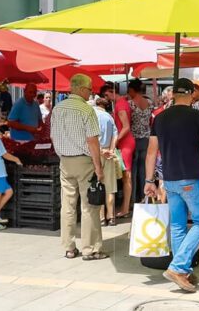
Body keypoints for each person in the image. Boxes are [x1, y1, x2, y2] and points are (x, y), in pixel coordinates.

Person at [145, 78, 199, 292]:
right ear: (192, 93)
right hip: (191, 177)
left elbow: (151, 152)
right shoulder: (198, 116)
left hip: (169, 179)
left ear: (173, 94)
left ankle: (182, 270)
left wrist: (149, 180)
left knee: (177, 226)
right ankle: (177, 267)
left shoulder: (160, 118)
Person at [50, 73, 106, 260]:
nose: (91, 93)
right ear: (82, 89)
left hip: (65, 160)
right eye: (90, 89)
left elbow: (53, 136)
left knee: (67, 205)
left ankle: (69, 247)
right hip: (84, 161)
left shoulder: (57, 108)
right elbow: (92, 141)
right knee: (89, 205)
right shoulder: (86, 110)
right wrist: (98, 167)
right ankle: (90, 249)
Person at [94, 97, 122, 226]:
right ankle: (111, 217)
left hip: (96, 153)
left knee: (98, 186)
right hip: (108, 154)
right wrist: (111, 150)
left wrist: (100, 150)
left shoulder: (93, 115)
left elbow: (90, 138)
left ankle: (101, 218)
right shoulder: (109, 117)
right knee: (110, 187)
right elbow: (115, 135)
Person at [127, 78, 154, 204]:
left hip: (133, 138)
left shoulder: (130, 103)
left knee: (133, 170)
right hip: (146, 138)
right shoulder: (149, 102)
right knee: (144, 169)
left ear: (132, 90)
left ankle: (133, 198)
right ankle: (144, 197)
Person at [113, 85, 135, 217]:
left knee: (126, 176)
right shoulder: (124, 103)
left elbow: (125, 127)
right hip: (126, 142)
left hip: (125, 143)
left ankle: (125, 208)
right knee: (126, 176)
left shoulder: (120, 105)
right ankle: (124, 206)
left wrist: (115, 140)